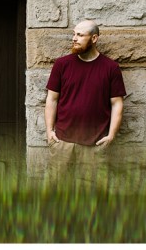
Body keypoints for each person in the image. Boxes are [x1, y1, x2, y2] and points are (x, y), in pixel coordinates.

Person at [44, 20, 126, 185]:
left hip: (95, 144)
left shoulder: (110, 68)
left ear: (94, 38)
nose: (74, 38)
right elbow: (52, 99)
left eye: (80, 35)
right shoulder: (62, 65)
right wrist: (49, 131)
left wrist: (111, 136)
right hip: (62, 142)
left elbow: (117, 104)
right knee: (56, 190)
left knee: (92, 193)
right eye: (74, 34)